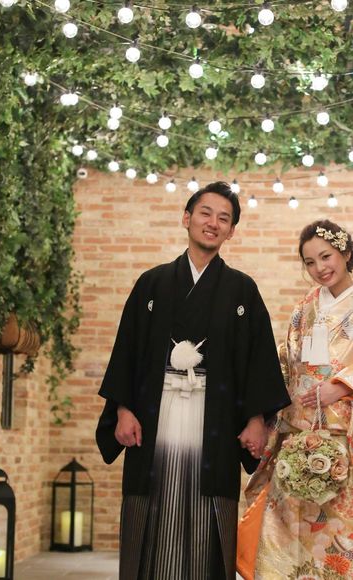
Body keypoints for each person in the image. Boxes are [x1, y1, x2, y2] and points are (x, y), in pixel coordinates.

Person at [95, 181, 290, 580]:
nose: (213, 223)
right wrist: (123, 409)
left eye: (224, 218)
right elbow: (128, 349)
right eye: (205, 213)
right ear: (186, 218)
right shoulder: (151, 283)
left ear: (231, 231)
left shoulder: (242, 291)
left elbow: (258, 360)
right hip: (155, 415)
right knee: (149, 515)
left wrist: (256, 419)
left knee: (208, 523)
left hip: (214, 419)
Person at [247, 219, 353, 580]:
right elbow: (285, 364)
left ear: (346, 253)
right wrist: (265, 416)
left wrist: (343, 386)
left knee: (346, 532)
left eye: (326, 256)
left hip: (349, 439)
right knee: (292, 533)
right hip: (300, 439)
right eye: (310, 262)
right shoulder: (304, 309)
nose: (319, 268)